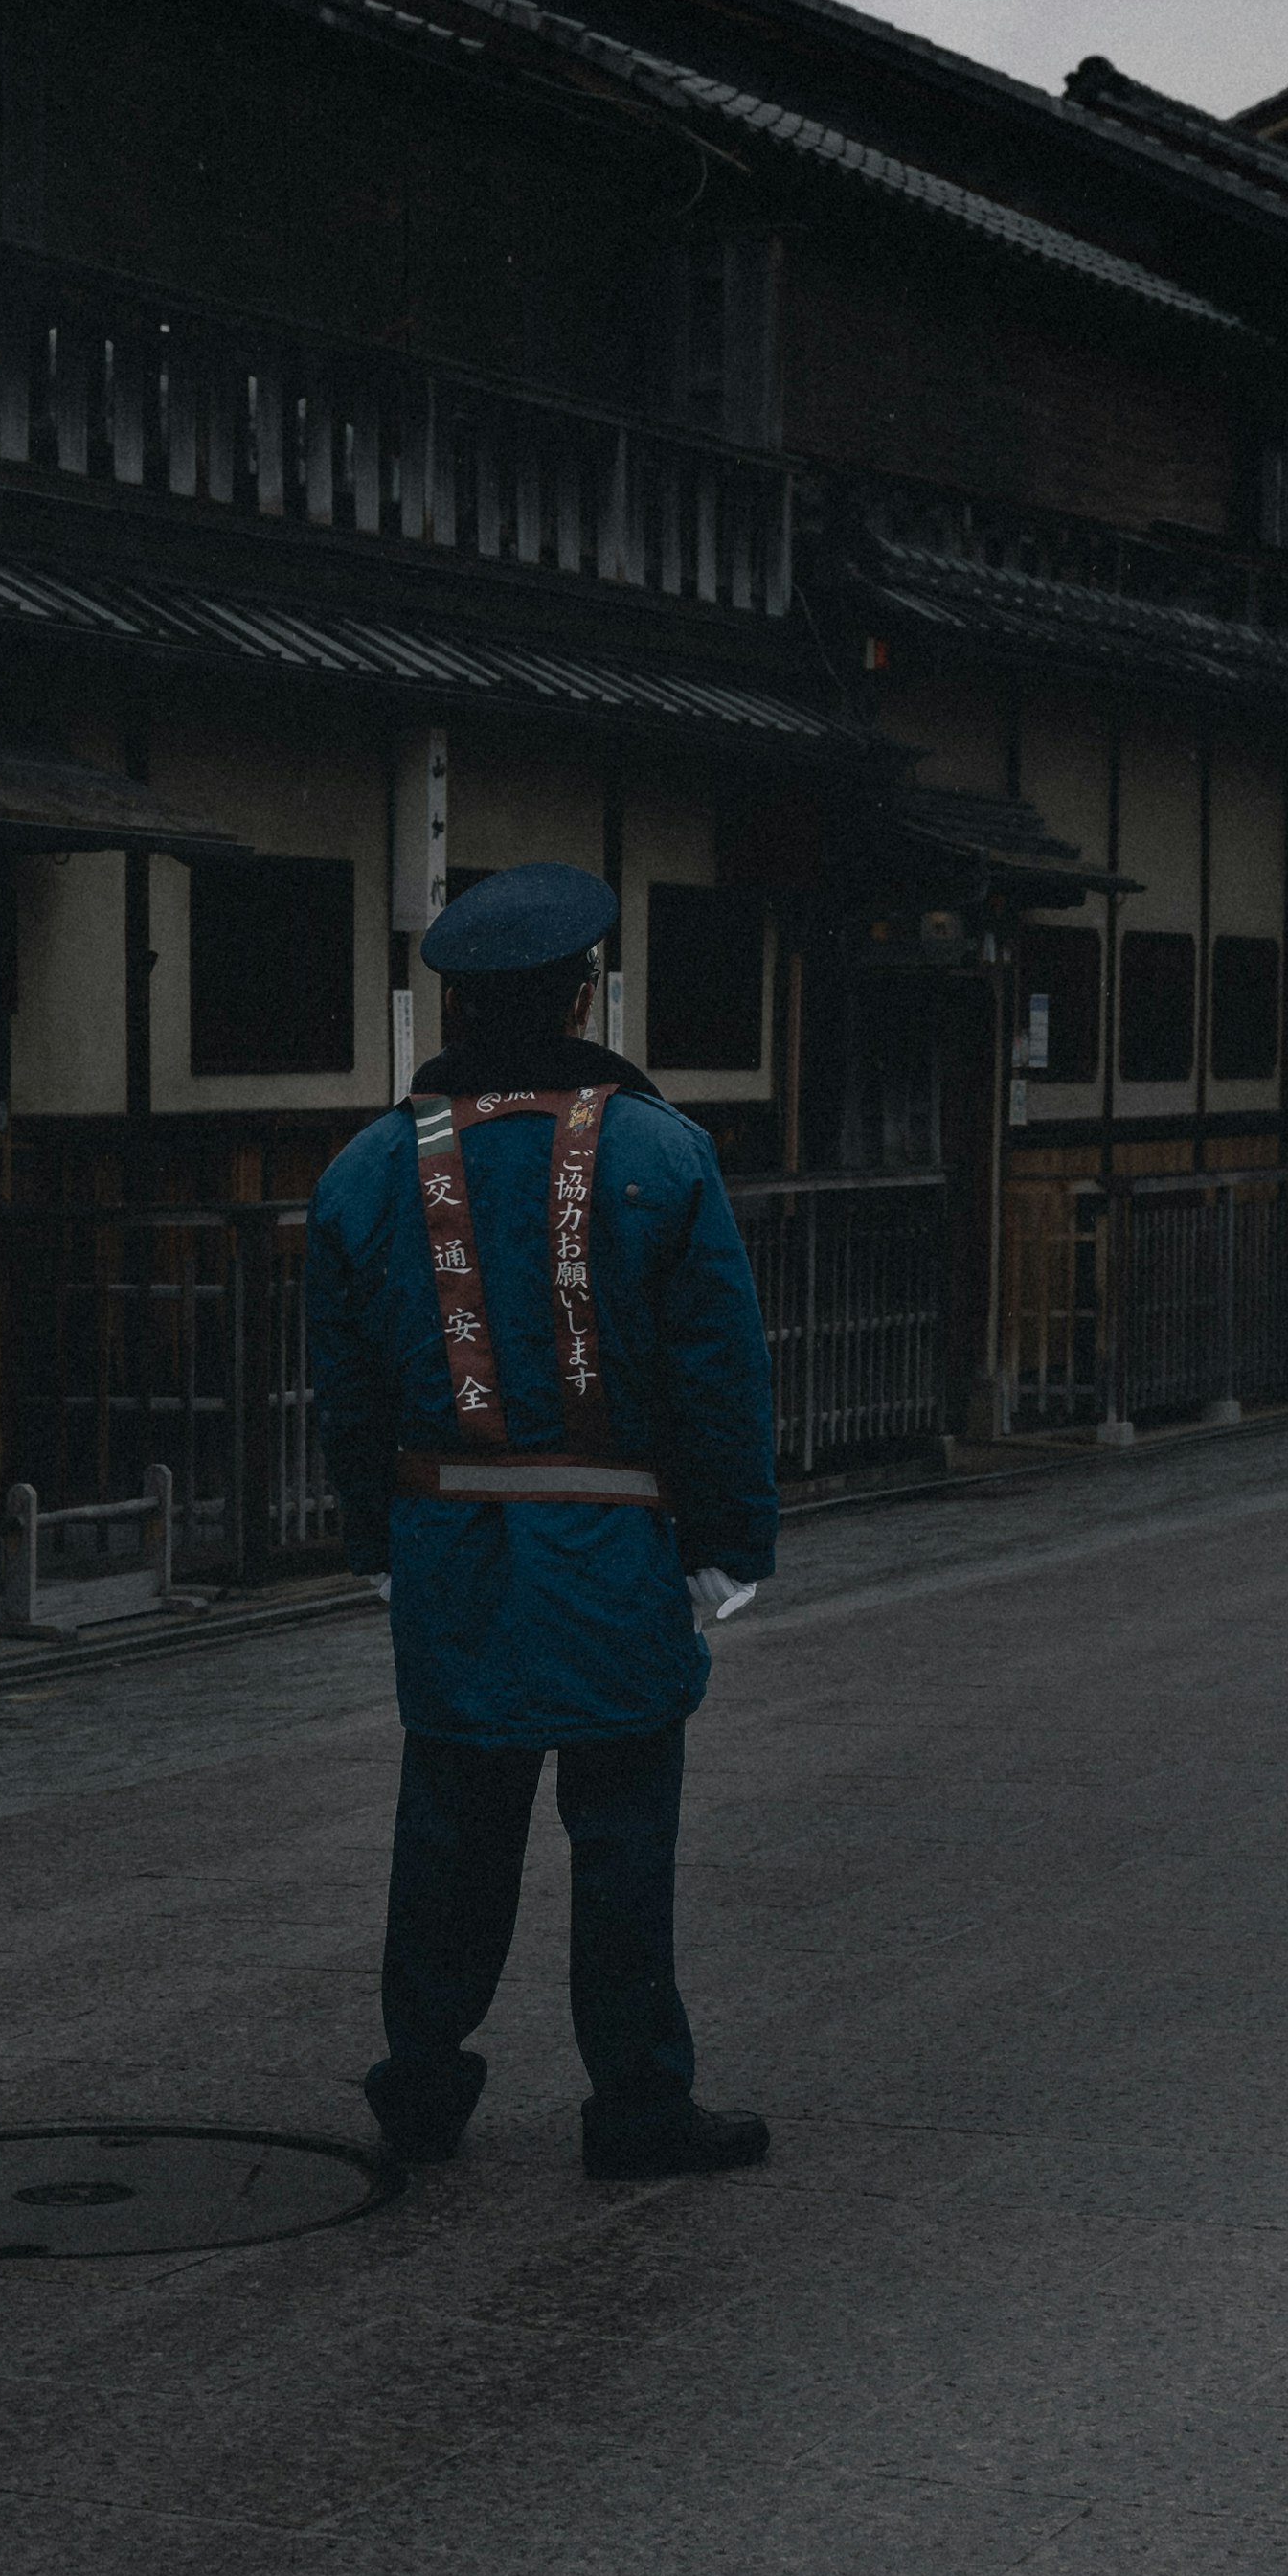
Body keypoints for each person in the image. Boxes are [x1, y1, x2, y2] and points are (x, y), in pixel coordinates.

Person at [306, 860, 780, 2178]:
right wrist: (731, 1544)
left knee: (450, 1825)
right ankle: (635, 2102)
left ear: (451, 1009)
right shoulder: (660, 1154)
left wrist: (370, 1543)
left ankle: (421, 2081)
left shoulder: (363, 1170)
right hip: (615, 1548)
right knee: (623, 1837)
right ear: (582, 995)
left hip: (448, 1542)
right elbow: (718, 1374)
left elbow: (343, 1389)